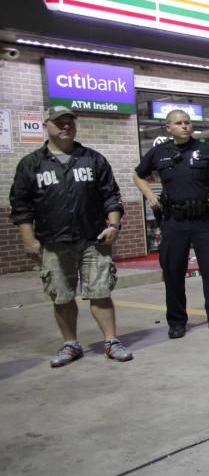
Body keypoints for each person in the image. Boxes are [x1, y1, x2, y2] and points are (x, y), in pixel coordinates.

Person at [10, 106, 133, 366]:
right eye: (59, 122)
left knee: (100, 292)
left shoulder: (93, 159)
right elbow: (21, 205)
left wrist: (114, 225)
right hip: (53, 242)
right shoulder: (31, 164)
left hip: (93, 240)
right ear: (46, 125)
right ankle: (71, 344)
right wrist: (28, 239)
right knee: (62, 295)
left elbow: (111, 195)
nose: (66, 126)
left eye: (70, 122)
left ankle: (111, 341)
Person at [134, 109, 209, 338]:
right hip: (174, 221)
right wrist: (148, 194)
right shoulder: (159, 152)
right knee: (173, 271)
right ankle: (177, 321)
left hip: (204, 220)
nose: (185, 126)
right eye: (179, 123)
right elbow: (138, 175)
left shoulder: (207, 149)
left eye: (187, 122)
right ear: (168, 128)